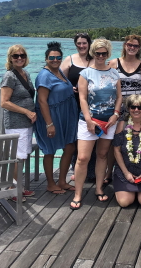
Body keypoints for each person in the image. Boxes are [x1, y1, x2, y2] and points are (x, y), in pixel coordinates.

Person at [71, 38, 122, 210]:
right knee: (83, 157)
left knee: (102, 155)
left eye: (104, 53)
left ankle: (99, 188)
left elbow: (119, 96)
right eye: (98, 53)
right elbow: (82, 98)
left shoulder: (115, 73)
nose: (101, 56)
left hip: (109, 121)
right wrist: (88, 120)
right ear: (93, 53)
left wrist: (116, 114)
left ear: (108, 53)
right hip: (88, 121)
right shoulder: (85, 73)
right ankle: (78, 194)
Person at [105, 35, 141, 184]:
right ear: (125, 45)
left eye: (135, 46)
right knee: (115, 142)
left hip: (136, 110)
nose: (132, 48)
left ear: (139, 48)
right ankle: (109, 172)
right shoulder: (113, 63)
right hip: (117, 110)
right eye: (130, 45)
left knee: (134, 141)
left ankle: (132, 170)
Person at [35, 42, 78, 194]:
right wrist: (49, 124)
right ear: (46, 59)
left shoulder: (59, 72)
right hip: (51, 117)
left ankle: (62, 181)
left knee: (70, 147)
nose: (55, 60)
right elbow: (41, 101)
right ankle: (50, 183)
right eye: (51, 58)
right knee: (50, 150)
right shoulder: (44, 75)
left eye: (58, 57)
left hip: (65, 116)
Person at [0, 44, 36, 201]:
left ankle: (18, 187)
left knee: (22, 156)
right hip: (16, 123)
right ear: (10, 58)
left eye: (22, 55)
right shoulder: (9, 76)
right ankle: (13, 190)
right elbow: (4, 102)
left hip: (26, 123)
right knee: (17, 157)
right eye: (16, 56)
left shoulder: (25, 73)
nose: (19, 58)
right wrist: (27, 111)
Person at [61, 33, 96, 182]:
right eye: (79, 43)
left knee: (93, 136)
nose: (81, 46)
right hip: (73, 105)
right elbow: (59, 79)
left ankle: (92, 170)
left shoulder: (96, 59)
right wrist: (69, 88)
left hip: (93, 104)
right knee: (75, 137)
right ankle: (75, 168)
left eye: (84, 43)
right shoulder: (69, 59)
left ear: (89, 44)